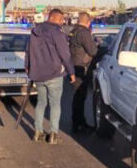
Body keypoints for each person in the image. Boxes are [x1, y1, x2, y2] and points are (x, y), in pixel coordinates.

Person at [26, 9, 75, 144]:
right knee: (55, 104)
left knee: (41, 103)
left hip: (38, 73)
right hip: (54, 73)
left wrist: (28, 66)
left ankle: (38, 132)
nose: (62, 22)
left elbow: (28, 51)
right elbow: (64, 54)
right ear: (53, 18)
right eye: (61, 20)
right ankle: (53, 134)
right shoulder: (57, 33)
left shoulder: (35, 31)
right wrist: (71, 72)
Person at [68, 12, 98, 133]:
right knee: (80, 97)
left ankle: (78, 122)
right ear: (88, 22)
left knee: (77, 97)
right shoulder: (84, 33)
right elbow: (93, 51)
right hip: (81, 68)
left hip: (73, 65)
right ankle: (79, 124)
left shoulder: (73, 31)